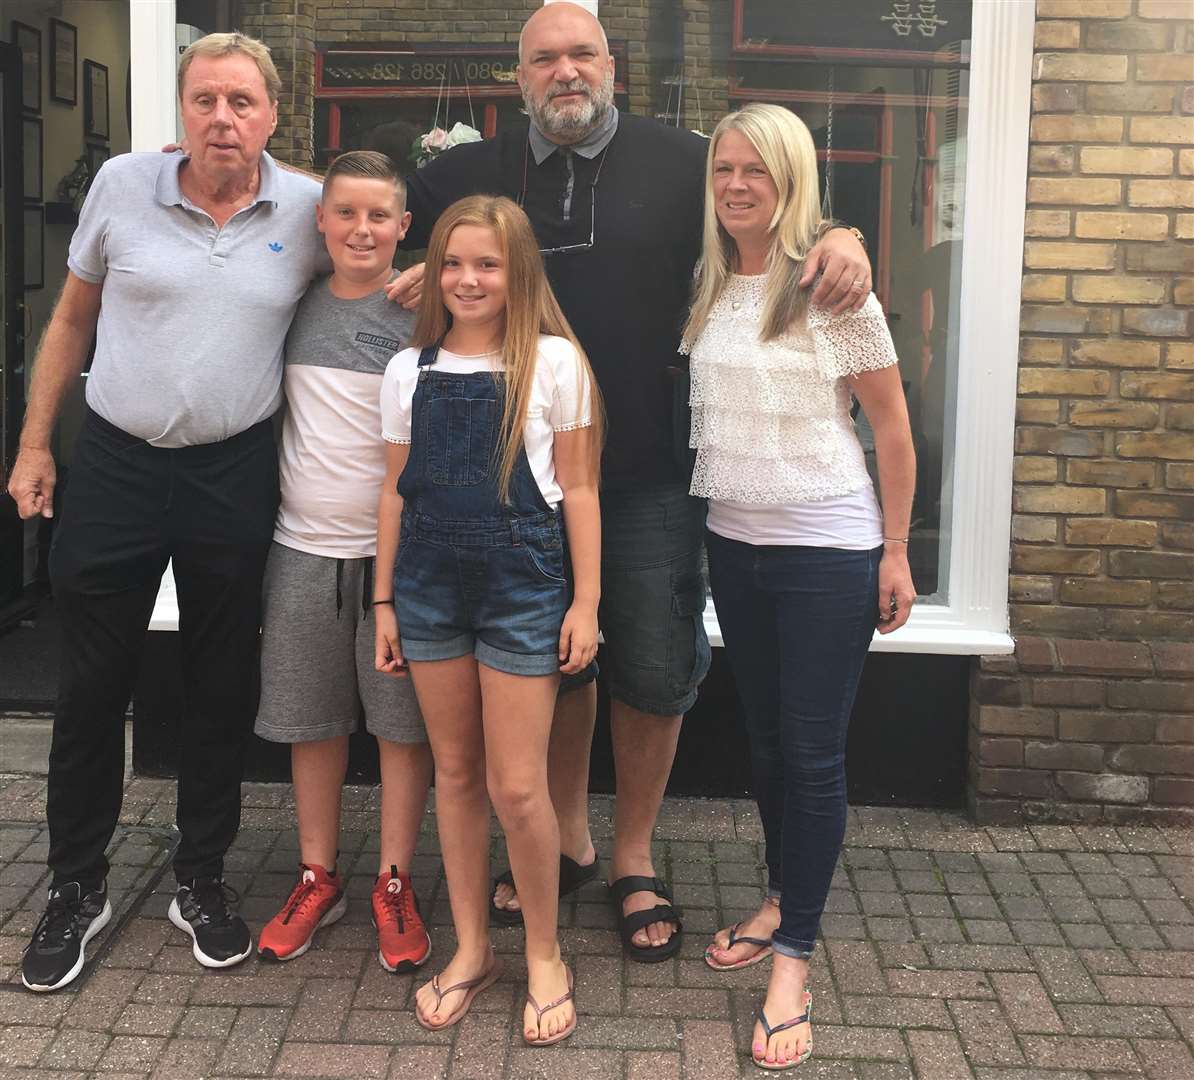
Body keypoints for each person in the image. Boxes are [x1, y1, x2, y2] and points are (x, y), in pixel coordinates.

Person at [393, 0, 874, 962]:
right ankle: (565, 840)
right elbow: (363, 231)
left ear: (612, 65)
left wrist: (844, 234)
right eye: (543, 59)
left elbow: (767, 205)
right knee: (552, 663)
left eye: (582, 54)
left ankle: (633, 855)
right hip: (515, 486)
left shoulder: (686, 160)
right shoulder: (458, 174)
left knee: (652, 671)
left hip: (654, 470)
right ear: (517, 74)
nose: (564, 71)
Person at [6, 32, 330, 992]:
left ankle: (203, 876)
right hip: (116, 465)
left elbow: (393, 246)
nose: (221, 118)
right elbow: (70, 318)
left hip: (234, 471)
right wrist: (33, 444)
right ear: (181, 111)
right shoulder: (120, 186)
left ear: (273, 114)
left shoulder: (309, 208)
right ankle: (77, 883)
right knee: (93, 681)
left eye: (241, 101)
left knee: (219, 679)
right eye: (204, 100)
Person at [686, 104, 915, 1070]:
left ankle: (793, 959)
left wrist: (896, 552)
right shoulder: (706, 282)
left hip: (829, 550)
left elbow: (893, 431)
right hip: (735, 547)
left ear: (793, 181)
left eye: (760, 171)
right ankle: (782, 892)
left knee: (813, 754)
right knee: (769, 741)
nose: (739, 185)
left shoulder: (833, 290)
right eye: (726, 169)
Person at [375, 195, 602, 1045]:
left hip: (525, 584)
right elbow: (393, 495)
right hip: (428, 586)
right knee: (457, 776)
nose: (469, 279)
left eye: (489, 264)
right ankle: (475, 948)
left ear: (518, 274)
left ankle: (544, 950)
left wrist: (585, 601)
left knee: (518, 785)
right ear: (435, 272)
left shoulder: (554, 363)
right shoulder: (409, 371)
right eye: (454, 264)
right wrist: (385, 599)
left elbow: (579, 490)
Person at [253, 151, 433, 972]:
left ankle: (394, 880)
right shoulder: (289, 304)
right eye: (345, 213)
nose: (362, 229)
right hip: (301, 551)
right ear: (320, 223)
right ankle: (316, 873)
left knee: (402, 730)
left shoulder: (427, 316)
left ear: (404, 228)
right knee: (310, 720)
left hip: (400, 565)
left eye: (379, 216)